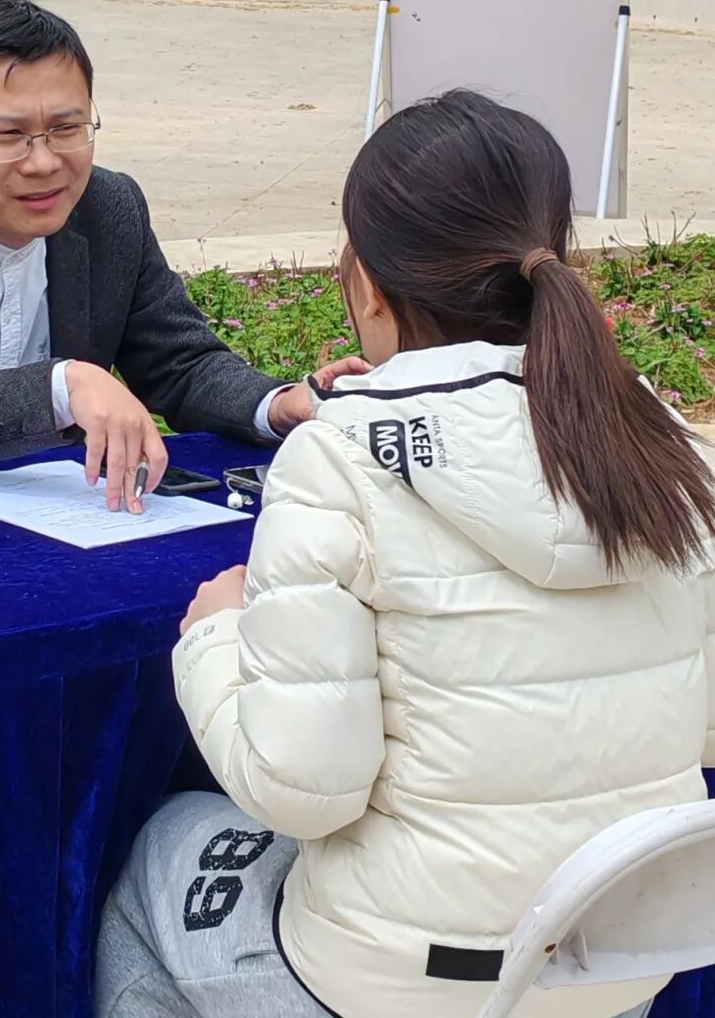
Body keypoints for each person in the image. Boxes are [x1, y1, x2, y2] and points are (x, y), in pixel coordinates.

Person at [97, 88, 715, 1018]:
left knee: (165, 843)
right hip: (622, 962)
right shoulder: (669, 444)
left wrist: (216, 636)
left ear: (371, 288)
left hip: (403, 981)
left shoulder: (338, 459)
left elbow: (301, 792)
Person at [0, 0, 361, 507]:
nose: (44, 162)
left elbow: (179, 362)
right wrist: (62, 385)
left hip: (52, 515)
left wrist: (278, 403)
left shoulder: (109, 208)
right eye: (8, 135)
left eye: (67, 129)